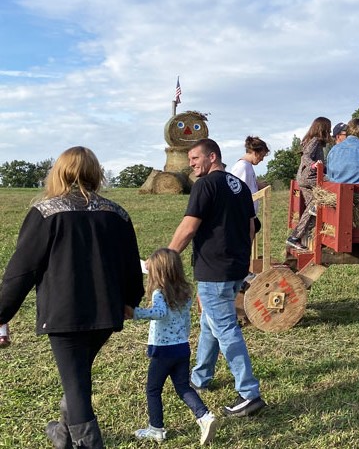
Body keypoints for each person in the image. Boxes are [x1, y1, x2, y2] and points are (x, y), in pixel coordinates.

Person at [0, 146, 144, 449]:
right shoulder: (117, 213)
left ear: (59, 172)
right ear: (95, 173)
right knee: (77, 378)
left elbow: (20, 272)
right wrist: (131, 300)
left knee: (77, 384)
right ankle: (63, 434)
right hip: (107, 313)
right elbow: (132, 265)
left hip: (65, 316)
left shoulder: (45, 213)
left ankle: (87, 443)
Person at [168, 139, 266, 418]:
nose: (191, 163)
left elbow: (189, 227)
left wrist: (167, 255)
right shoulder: (240, 188)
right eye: (189, 159)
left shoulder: (205, 185)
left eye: (195, 158)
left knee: (224, 327)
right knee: (210, 322)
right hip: (235, 267)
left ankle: (249, 394)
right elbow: (250, 228)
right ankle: (201, 378)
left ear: (213, 157)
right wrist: (242, 260)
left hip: (214, 270)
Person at [132, 248, 218, 445]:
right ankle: (204, 416)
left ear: (159, 274)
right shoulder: (185, 292)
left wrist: (135, 313)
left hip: (164, 351)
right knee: (182, 387)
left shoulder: (159, 293)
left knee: (153, 389)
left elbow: (159, 313)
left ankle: (156, 429)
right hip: (182, 348)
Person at [286, 117, 332, 252]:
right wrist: (314, 165)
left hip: (302, 177)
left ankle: (296, 238)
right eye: (328, 128)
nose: (329, 131)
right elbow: (305, 157)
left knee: (312, 207)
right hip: (309, 177)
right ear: (323, 128)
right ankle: (297, 236)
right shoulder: (315, 141)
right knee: (332, 184)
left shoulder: (312, 140)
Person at [229, 136, 270, 214]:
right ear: (255, 153)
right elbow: (237, 193)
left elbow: (246, 187)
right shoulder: (242, 167)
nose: (262, 159)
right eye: (261, 155)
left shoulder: (248, 166)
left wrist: (258, 185)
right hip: (243, 216)